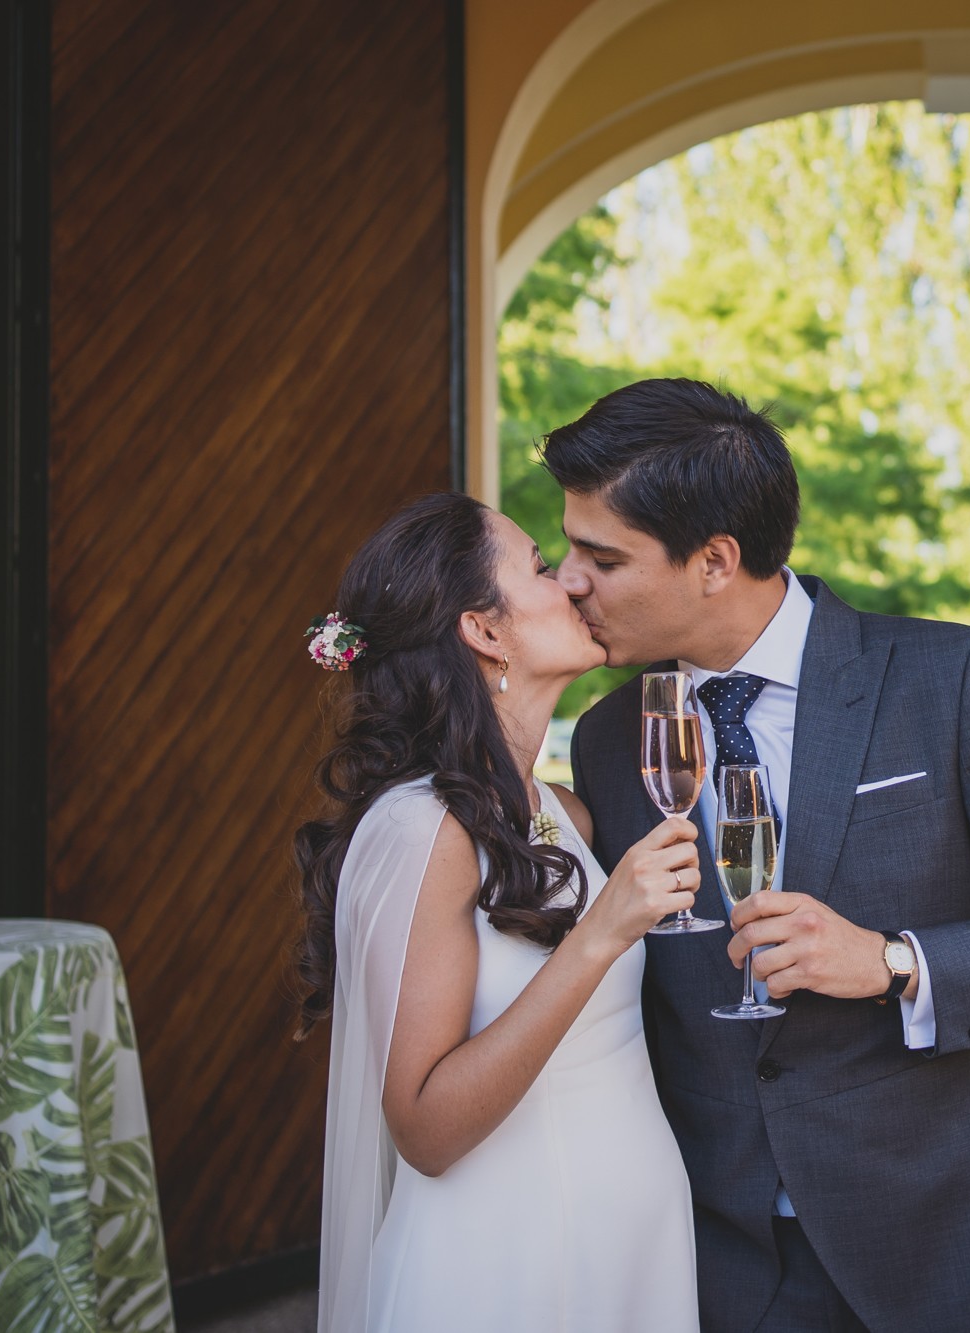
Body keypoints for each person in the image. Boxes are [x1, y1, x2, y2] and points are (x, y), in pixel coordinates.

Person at [551, 379, 970, 1331]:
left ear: (715, 560)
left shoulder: (949, 680)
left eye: (601, 556)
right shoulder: (605, 737)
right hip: (727, 1264)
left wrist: (890, 962)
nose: (566, 580)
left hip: (955, 1241)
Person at [294, 491, 702, 1332]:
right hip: (513, 1260)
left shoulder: (565, 814)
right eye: (545, 569)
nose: (578, 585)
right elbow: (427, 1128)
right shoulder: (424, 829)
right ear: (484, 630)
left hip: (630, 1242)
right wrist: (596, 938)